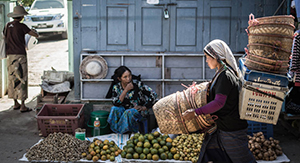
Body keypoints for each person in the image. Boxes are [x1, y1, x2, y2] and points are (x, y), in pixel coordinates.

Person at [182, 39, 256, 163]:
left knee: (242, 160)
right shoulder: (221, 73)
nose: (206, 60)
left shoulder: (225, 76)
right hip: (223, 128)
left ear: (216, 56)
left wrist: (195, 112)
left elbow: (219, 103)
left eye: (207, 57)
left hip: (232, 129)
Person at [4, 6, 39, 112]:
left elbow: (4, 37)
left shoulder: (7, 26)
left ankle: (15, 103)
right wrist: (34, 32)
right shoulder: (22, 26)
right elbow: (35, 35)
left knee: (13, 78)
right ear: (22, 16)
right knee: (22, 78)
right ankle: (23, 105)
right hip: (20, 55)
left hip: (10, 55)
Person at [107, 66, 158, 134]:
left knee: (129, 112)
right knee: (114, 109)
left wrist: (144, 107)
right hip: (124, 111)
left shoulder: (137, 84)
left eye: (130, 75)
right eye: (125, 77)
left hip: (138, 112)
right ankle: (118, 132)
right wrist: (125, 90)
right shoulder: (116, 87)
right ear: (119, 78)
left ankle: (122, 133)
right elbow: (116, 103)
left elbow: (153, 94)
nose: (128, 79)